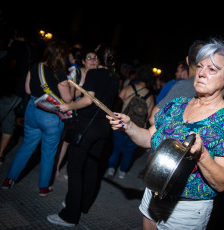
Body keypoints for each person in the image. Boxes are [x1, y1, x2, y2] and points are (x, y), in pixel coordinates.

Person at [106, 38, 224, 230]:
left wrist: (202, 154)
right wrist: (128, 126)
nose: (201, 73)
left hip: (185, 208)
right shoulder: (178, 104)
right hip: (153, 193)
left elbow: (222, 182)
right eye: (200, 66)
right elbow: (148, 137)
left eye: (212, 70)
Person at [47, 44, 119, 227]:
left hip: (87, 127)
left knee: (75, 169)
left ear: (98, 58)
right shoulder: (115, 78)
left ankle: (70, 215)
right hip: (103, 128)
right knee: (92, 168)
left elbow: (88, 100)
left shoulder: (94, 74)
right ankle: (83, 205)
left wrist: (67, 107)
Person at [1, 40, 73, 196]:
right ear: (62, 56)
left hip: (33, 111)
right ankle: (43, 187)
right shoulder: (60, 74)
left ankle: (9, 180)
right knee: (48, 153)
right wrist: (71, 86)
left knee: (26, 146)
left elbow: (28, 90)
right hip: (51, 117)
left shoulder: (36, 67)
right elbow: (67, 99)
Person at [0, 26, 37, 164]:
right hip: (22, 92)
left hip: (9, 88)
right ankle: (0, 154)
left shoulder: (15, 46)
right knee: (8, 121)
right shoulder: (31, 49)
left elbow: (6, 64)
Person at [55, 49, 99, 179]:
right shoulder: (76, 72)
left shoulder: (98, 75)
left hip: (88, 114)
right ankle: (56, 166)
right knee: (66, 141)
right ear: (84, 62)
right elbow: (71, 95)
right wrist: (86, 92)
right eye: (89, 58)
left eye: (95, 58)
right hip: (74, 111)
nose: (93, 61)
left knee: (80, 142)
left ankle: (70, 168)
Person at [106, 65, 154, 179]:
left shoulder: (128, 88)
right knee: (129, 151)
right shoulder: (150, 96)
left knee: (116, 148)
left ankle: (111, 169)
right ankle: (122, 172)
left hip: (122, 123)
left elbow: (117, 102)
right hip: (136, 128)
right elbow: (149, 116)